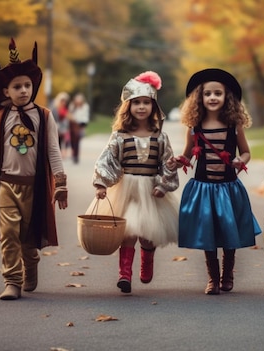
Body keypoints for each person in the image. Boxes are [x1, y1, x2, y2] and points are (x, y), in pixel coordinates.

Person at [0, 37, 68, 300]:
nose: (24, 90)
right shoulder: (0, 118)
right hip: (6, 184)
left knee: (27, 236)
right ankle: (11, 281)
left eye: (27, 85)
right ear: (6, 91)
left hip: (34, 186)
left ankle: (31, 262)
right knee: (9, 233)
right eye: (17, 86)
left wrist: (60, 183)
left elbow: (53, 152)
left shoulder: (44, 116)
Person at [172, 68, 261, 295]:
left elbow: (246, 152)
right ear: (199, 98)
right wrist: (177, 161)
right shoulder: (194, 127)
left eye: (218, 93)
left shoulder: (234, 126)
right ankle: (212, 279)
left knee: (228, 230)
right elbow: (188, 153)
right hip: (203, 188)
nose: (212, 97)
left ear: (227, 97)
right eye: (207, 93)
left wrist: (241, 160)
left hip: (228, 188)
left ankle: (227, 274)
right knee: (207, 233)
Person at [89, 71, 179, 294]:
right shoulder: (120, 135)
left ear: (154, 107)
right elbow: (107, 159)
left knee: (148, 235)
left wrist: (162, 184)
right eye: (136, 102)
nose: (141, 107)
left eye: (146, 103)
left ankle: (147, 259)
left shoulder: (160, 137)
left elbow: (167, 163)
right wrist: (101, 184)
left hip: (151, 190)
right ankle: (124, 274)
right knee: (127, 232)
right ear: (127, 106)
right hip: (125, 190)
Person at [68, 93, 90, 164]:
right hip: (72, 124)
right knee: (72, 141)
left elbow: (85, 116)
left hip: (80, 124)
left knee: (77, 141)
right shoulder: (72, 106)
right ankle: (73, 153)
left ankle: (76, 156)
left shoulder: (85, 106)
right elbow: (69, 114)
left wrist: (82, 125)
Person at [52, 92, 71, 158]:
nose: (64, 103)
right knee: (57, 142)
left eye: (65, 101)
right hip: (56, 128)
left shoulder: (66, 109)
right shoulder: (55, 109)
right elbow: (53, 119)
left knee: (64, 141)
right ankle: (58, 154)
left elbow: (68, 119)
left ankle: (63, 153)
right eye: (62, 101)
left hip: (64, 128)